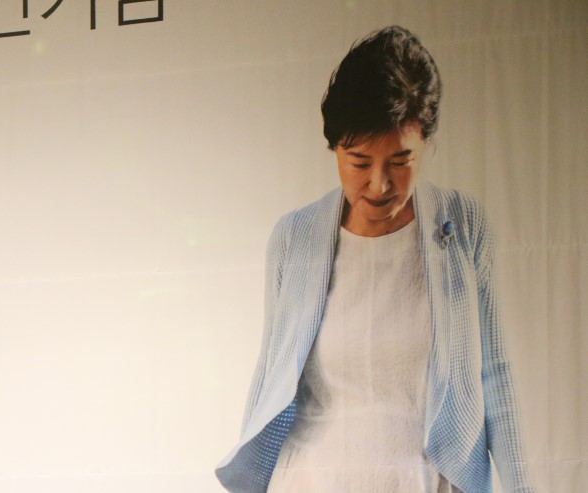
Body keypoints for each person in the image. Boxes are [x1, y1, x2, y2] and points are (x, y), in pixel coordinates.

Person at [215, 26, 535, 493]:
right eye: (360, 162)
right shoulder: (294, 237)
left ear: (426, 144)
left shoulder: (462, 225)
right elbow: (272, 375)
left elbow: (495, 376)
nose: (380, 184)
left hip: (426, 480)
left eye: (401, 161)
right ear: (335, 148)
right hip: (313, 480)